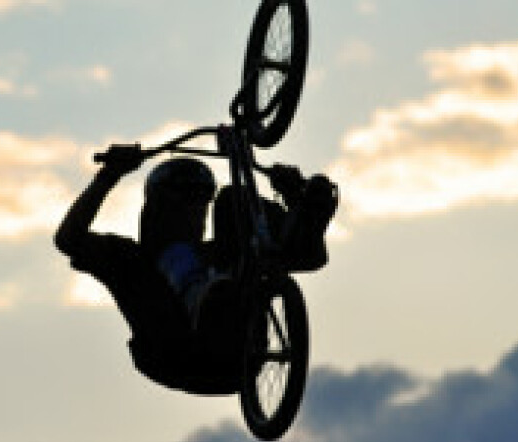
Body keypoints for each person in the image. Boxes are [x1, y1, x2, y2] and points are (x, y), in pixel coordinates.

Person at [54, 143, 337, 392]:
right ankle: (216, 297)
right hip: (177, 354)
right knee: (209, 267)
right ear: (154, 208)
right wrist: (109, 175)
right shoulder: (128, 258)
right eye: (179, 201)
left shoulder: (217, 253)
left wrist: (293, 196)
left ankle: (300, 222)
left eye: (199, 202)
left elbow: (311, 259)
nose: (191, 212)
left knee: (233, 203)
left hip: (235, 351)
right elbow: (68, 239)